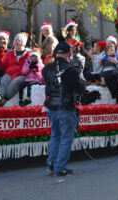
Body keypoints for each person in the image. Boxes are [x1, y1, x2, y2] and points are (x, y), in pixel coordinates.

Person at [43, 42, 86, 176]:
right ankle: (60, 167)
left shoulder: (46, 69)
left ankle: (51, 163)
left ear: (55, 54)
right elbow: (80, 89)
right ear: (69, 54)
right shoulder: (70, 70)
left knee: (55, 135)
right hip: (66, 107)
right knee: (66, 138)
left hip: (51, 107)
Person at [0, 32, 31, 107]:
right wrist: (0, 57)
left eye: (19, 40)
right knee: (5, 80)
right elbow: (2, 67)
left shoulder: (29, 53)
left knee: (16, 82)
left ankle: (5, 99)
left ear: (24, 43)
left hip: (22, 75)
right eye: (15, 40)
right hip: (10, 73)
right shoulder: (9, 53)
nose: (16, 42)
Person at [94, 35, 118, 104]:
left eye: (110, 44)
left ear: (115, 44)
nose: (108, 45)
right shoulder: (103, 55)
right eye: (107, 44)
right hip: (106, 73)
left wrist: (117, 62)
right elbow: (96, 68)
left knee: (112, 76)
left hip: (116, 73)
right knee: (108, 76)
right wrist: (100, 63)